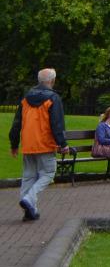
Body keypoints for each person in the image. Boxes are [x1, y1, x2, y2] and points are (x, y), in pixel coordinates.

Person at [10, 67, 67, 222]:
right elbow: (57, 124)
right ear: (52, 81)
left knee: (28, 177)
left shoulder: (26, 98)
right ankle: (29, 199)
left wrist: (14, 143)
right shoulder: (53, 98)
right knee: (48, 174)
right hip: (45, 144)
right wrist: (63, 143)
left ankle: (29, 210)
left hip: (28, 144)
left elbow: (16, 123)